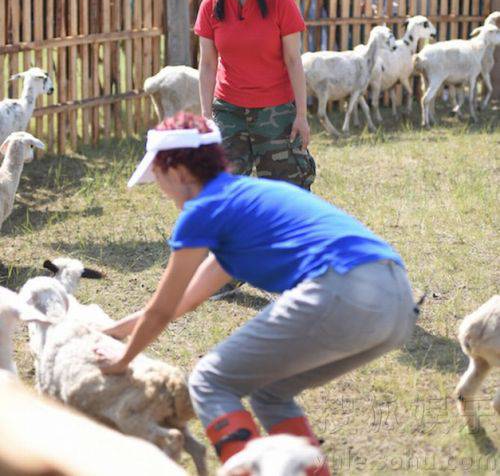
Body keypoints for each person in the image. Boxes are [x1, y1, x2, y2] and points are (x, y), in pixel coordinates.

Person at [95, 111, 417, 475]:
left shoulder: (203, 210)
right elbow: (184, 301)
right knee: (270, 393)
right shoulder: (245, 202)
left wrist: (123, 360)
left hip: (341, 288)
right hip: (397, 302)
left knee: (209, 381)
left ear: (179, 172)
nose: (160, 188)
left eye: (158, 177)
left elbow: (162, 310)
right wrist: (109, 332)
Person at [194, 0, 315, 190]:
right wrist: (206, 115)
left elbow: (294, 61)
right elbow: (207, 64)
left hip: (276, 111)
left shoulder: (281, 2)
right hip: (228, 111)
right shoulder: (210, 6)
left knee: (287, 192)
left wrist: (302, 116)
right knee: (221, 188)